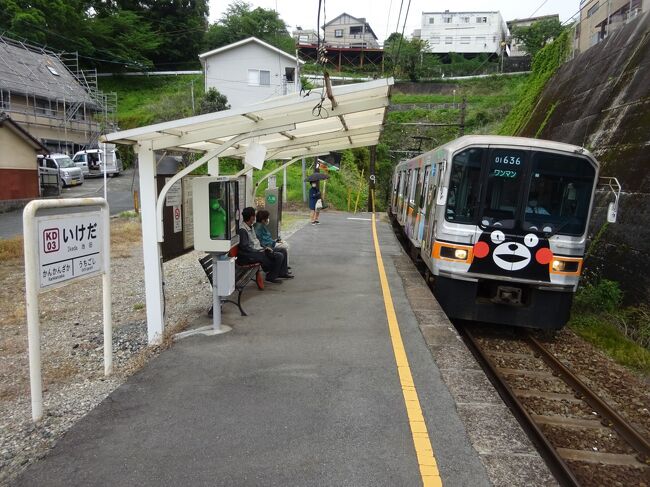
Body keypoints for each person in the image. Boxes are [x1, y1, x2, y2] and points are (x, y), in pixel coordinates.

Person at [237, 207, 292, 283]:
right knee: (278, 256)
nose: (255, 217)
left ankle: (282, 272)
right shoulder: (243, 230)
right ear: (251, 217)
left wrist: (265, 247)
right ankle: (271, 276)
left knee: (283, 250)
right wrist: (261, 250)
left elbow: (257, 241)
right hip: (253, 254)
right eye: (254, 216)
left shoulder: (251, 226)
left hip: (259, 249)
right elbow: (245, 247)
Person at [254, 210, 292, 275]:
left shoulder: (260, 225)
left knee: (284, 245)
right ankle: (284, 268)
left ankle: (284, 268)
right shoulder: (259, 227)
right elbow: (260, 241)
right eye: (267, 218)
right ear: (263, 220)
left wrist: (275, 241)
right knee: (285, 246)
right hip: (268, 246)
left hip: (270, 243)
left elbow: (266, 238)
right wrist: (269, 244)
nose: (268, 219)